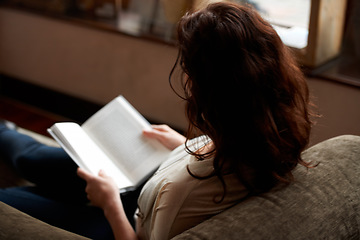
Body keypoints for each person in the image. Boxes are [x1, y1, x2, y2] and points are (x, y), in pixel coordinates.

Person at [0, 2, 314, 240]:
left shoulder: (183, 193)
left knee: (9, 201)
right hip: (149, 184)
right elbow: (228, 157)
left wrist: (109, 201)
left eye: (190, 72)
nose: (187, 80)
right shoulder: (271, 134)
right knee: (34, 158)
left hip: (125, 218)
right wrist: (183, 144)